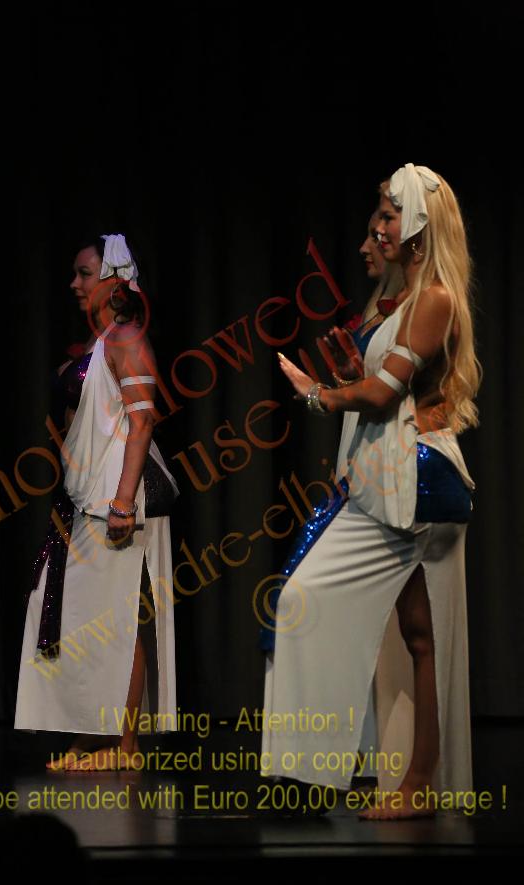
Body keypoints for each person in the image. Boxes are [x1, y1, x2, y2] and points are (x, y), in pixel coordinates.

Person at [263, 164, 481, 819]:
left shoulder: (434, 298)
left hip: (415, 483)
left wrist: (317, 393)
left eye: (388, 215)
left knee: (331, 607)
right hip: (387, 480)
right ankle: (381, 774)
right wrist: (347, 375)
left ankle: (410, 782)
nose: (378, 228)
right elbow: (380, 388)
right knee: (415, 634)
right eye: (378, 216)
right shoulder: (403, 300)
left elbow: (384, 396)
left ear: (416, 224)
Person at [14, 233, 179, 771]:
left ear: (113, 279)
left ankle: (123, 746)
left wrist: (124, 502)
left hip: (115, 499)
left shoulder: (126, 336)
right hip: (86, 495)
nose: (74, 284)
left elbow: (142, 419)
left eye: (84, 273)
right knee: (84, 616)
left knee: (115, 619)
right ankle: (97, 731)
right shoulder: (103, 339)